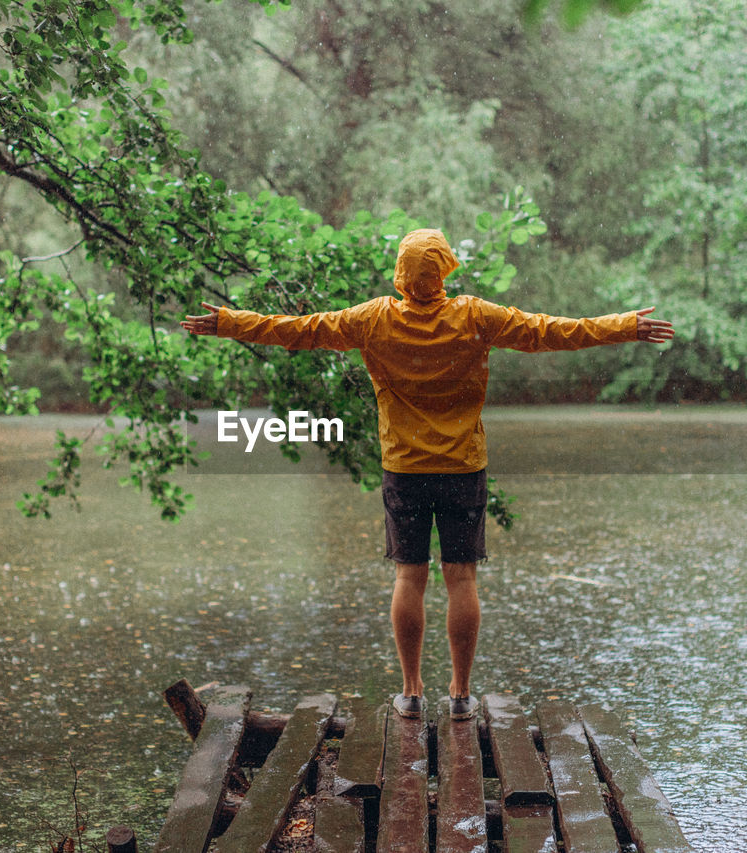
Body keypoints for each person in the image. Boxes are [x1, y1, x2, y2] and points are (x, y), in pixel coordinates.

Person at [182, 228, 674, 720]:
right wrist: (622, 326)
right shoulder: (476, 316)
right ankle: (461, 695)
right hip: (462, 467)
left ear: (401, 273)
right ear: (443, 270)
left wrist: (229, 322)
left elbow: (299, 330)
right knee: (461, 578)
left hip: (405, 469)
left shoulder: (373, 319)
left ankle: (412, 691)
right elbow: (550, 332)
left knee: (409, 576)